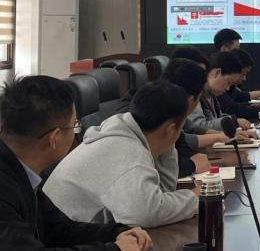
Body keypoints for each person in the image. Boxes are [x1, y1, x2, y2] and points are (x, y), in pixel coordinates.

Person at [0, 76, 150, 251]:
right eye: (75, 126)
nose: (76, 133)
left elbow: (58, 228)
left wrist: (116, 232)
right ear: (54, 138)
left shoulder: (20, 169)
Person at [44, 80, 198, 228]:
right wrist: (196, 198)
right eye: (180, 128)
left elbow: (163, 192)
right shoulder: (126, 151)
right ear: (170, 129)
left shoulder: (127, 132)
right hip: (62, 238)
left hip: (78, 233)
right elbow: (145, 214)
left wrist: (168, 145)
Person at [185, 51, 255, 133]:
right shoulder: (194, 92)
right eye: (228, 82)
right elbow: (198, 126)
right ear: (217, 73)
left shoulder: (211, 94)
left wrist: (233, 123)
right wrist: (232, 121)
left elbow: (216, 117)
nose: (228, 88)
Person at [219, 48, 260, 121]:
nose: (244, 79)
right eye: (243, 74)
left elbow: (239, 96)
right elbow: (232, 109)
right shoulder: (218, 89)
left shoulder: (230, 87)